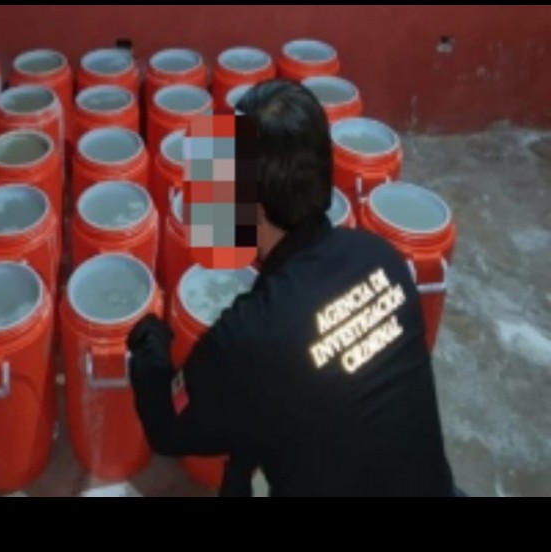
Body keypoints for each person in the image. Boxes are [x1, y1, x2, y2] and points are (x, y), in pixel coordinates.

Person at [127, 79, 455, 496]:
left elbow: (167, 429)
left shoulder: (250, 334)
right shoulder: (382, 258)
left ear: (254, 207)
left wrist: (150, 347)